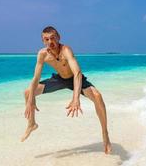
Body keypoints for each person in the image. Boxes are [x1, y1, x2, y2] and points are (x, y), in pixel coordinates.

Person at [21, 26, 112, 154]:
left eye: (52, 38)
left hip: (74, 79)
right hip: (59, 79)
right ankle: (32, 124)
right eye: (46, 39)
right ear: (43, 41)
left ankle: (105, 134)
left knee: (97, 96)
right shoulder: (42, 54)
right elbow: (36, 78)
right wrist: (31, 100)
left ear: (58, 37)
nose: (50, 42)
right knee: (27, 92)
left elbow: (77, 73)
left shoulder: (66, 50)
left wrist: (76, 99)